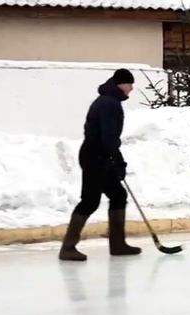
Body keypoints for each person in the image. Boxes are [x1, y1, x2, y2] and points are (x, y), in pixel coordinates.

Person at [59, 69, 141, 261]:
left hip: (98, 155)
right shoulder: (110, 104)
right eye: (129, 84)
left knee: (118, 195)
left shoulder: (107, 101)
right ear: (121, 84)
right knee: (90, 201)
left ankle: (118, 244)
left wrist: (113, 159)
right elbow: (109, 137)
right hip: (95, 157)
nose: (131, 89)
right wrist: (118, 161)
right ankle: (68, 248)